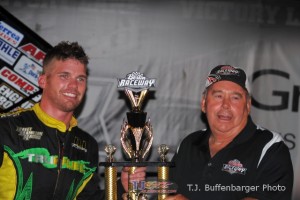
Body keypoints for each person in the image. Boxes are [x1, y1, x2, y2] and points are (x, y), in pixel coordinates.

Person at [0, 41, 144, 199]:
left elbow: (88, 198)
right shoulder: (7, 127)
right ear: (43, 81)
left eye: (80, 79)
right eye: (64, 76)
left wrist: (121, 187)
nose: (74, 85)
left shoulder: (88, 144)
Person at [165, 65, 294, 200]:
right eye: (218, 96)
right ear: (203, 103)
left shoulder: (270, 147)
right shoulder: (189, 143)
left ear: (248, 105)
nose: (226, 105)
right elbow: (167, 193)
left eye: (235, 98)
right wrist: (141, 183)